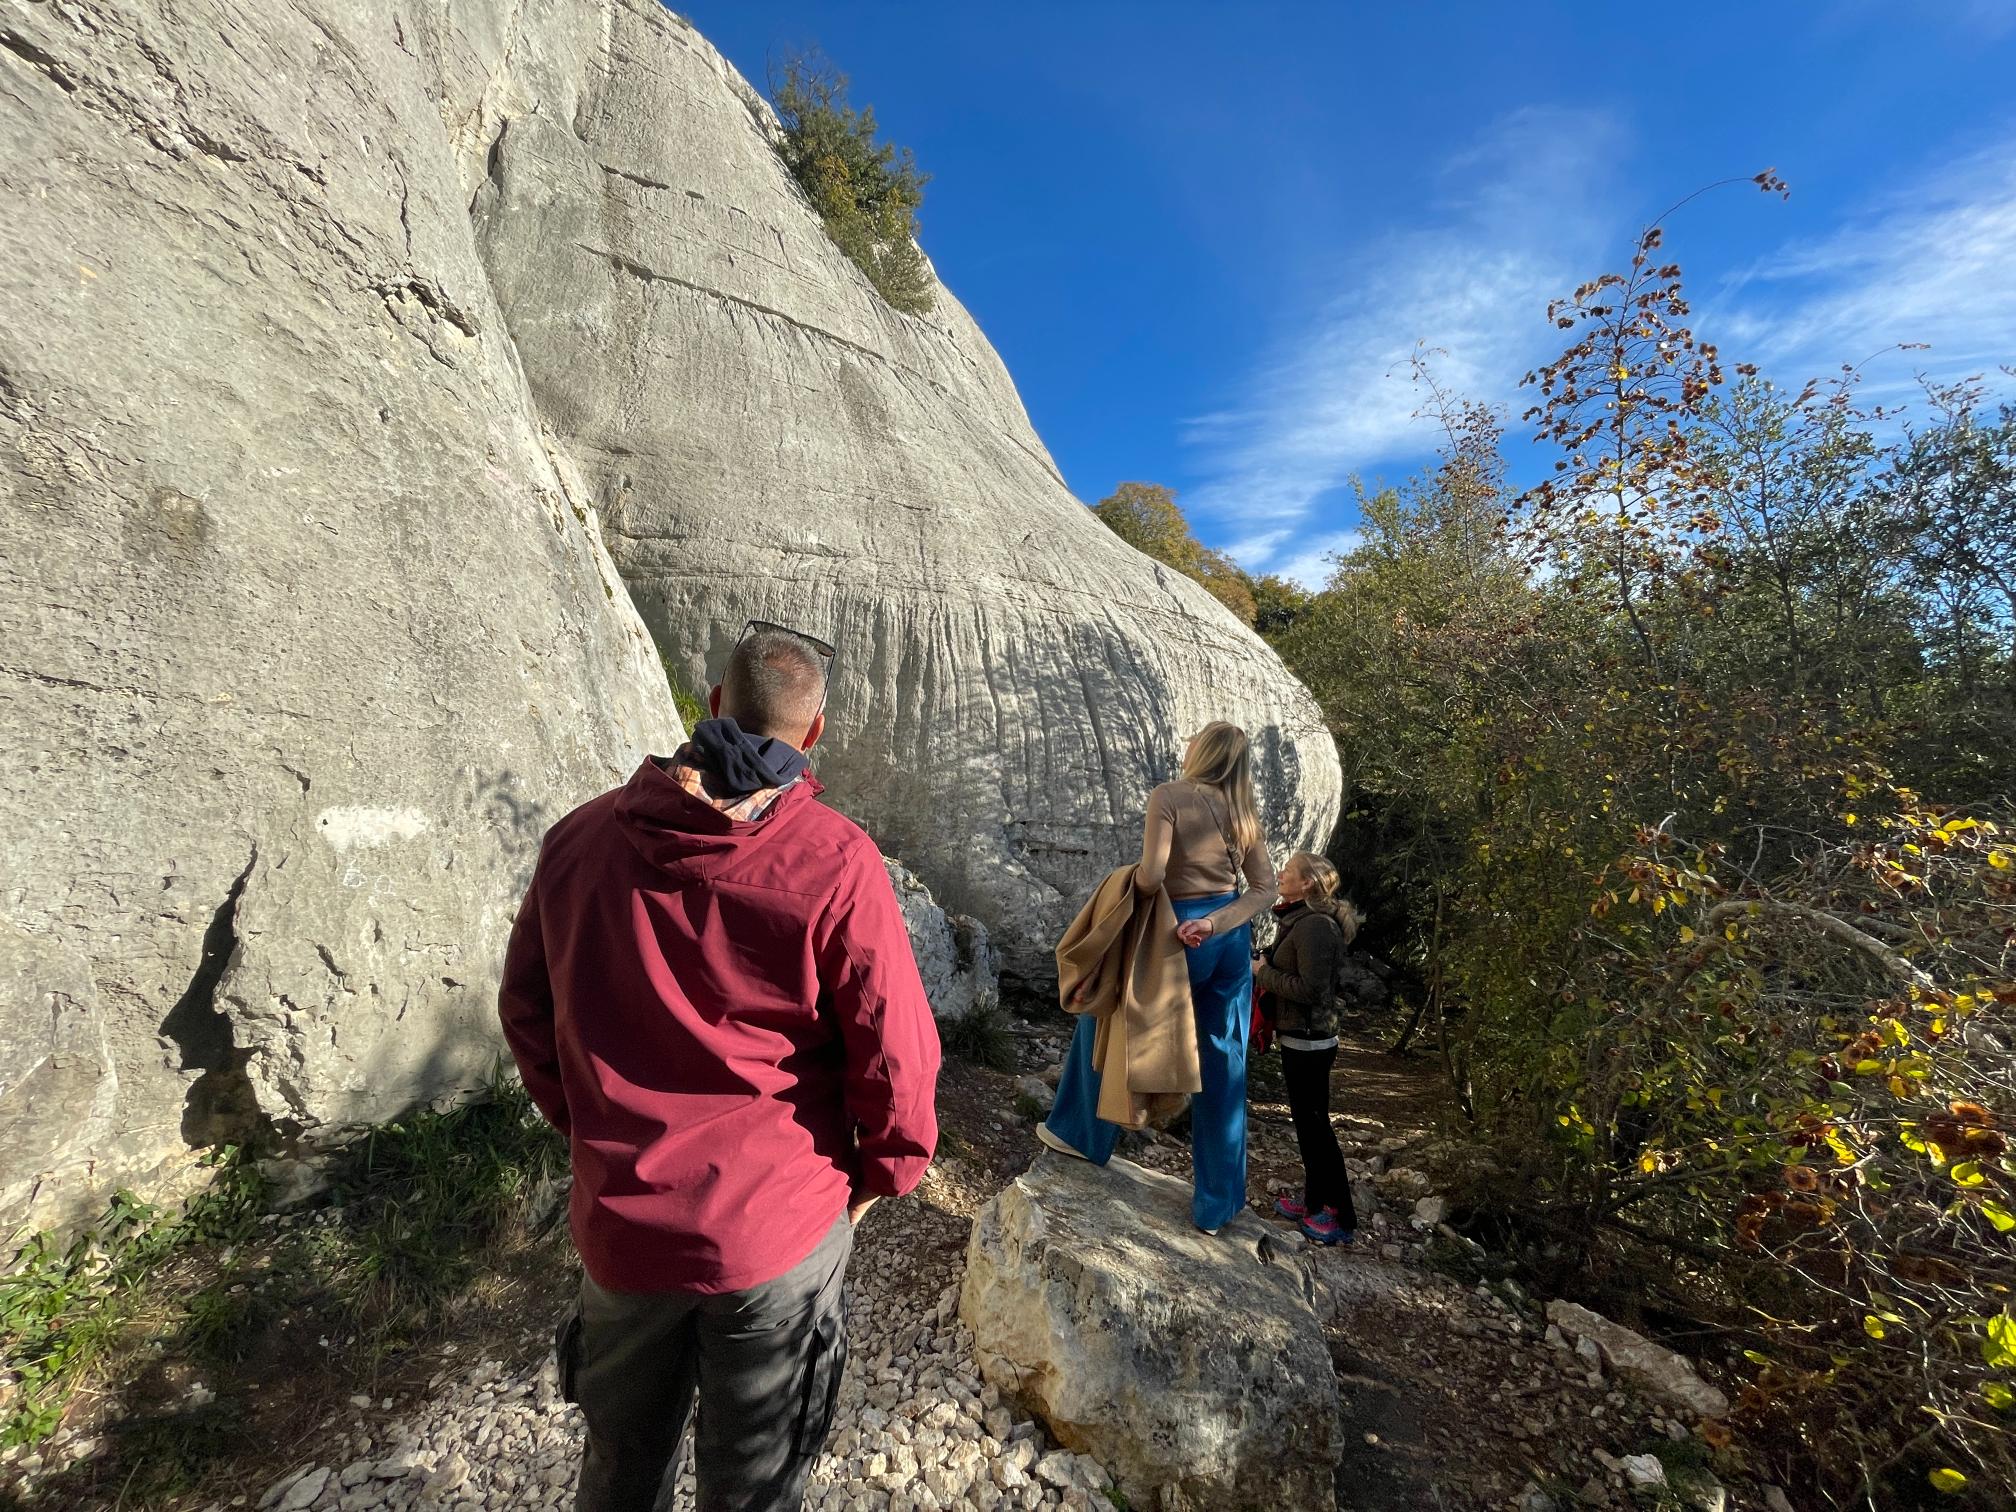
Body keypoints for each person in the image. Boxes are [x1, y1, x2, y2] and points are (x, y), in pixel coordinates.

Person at [498, 621, 942, 1512]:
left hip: (625, 1226)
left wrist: (591, 1131)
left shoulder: (578, 843)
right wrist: (887, 1170)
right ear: (814, 732)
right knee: (755, 1485)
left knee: (621, 1472)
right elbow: (895, 1052)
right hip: (774, 1232)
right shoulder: (835, 861)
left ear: (711, 706)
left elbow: (528, 1015)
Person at [1041, 721, 1278, 1233]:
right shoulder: (1243, 813)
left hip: (1175, 937)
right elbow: (1265, 889)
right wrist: (1216, 923)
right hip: (1229, 941)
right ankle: (1218, 1205)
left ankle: (1081, 1134)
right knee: (1225, 1059)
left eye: (1194, 739)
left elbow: (1151, 875)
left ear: (1203, 751)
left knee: (1106, 1018)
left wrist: (1122, 883)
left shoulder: (1170, 796)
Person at [1255, 853, 1359, 1246]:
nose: (1280, 875)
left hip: (1311, 1041)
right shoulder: (1301, 919)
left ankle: (1341, 1216)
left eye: (1289, 872)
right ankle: (1315, 1200)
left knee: (1316, 1128)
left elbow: (1313, 990)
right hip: (1301, 1038)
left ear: (1308, 884)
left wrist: (1262, 973)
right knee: (1307, 1126)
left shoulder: (1315, 926)